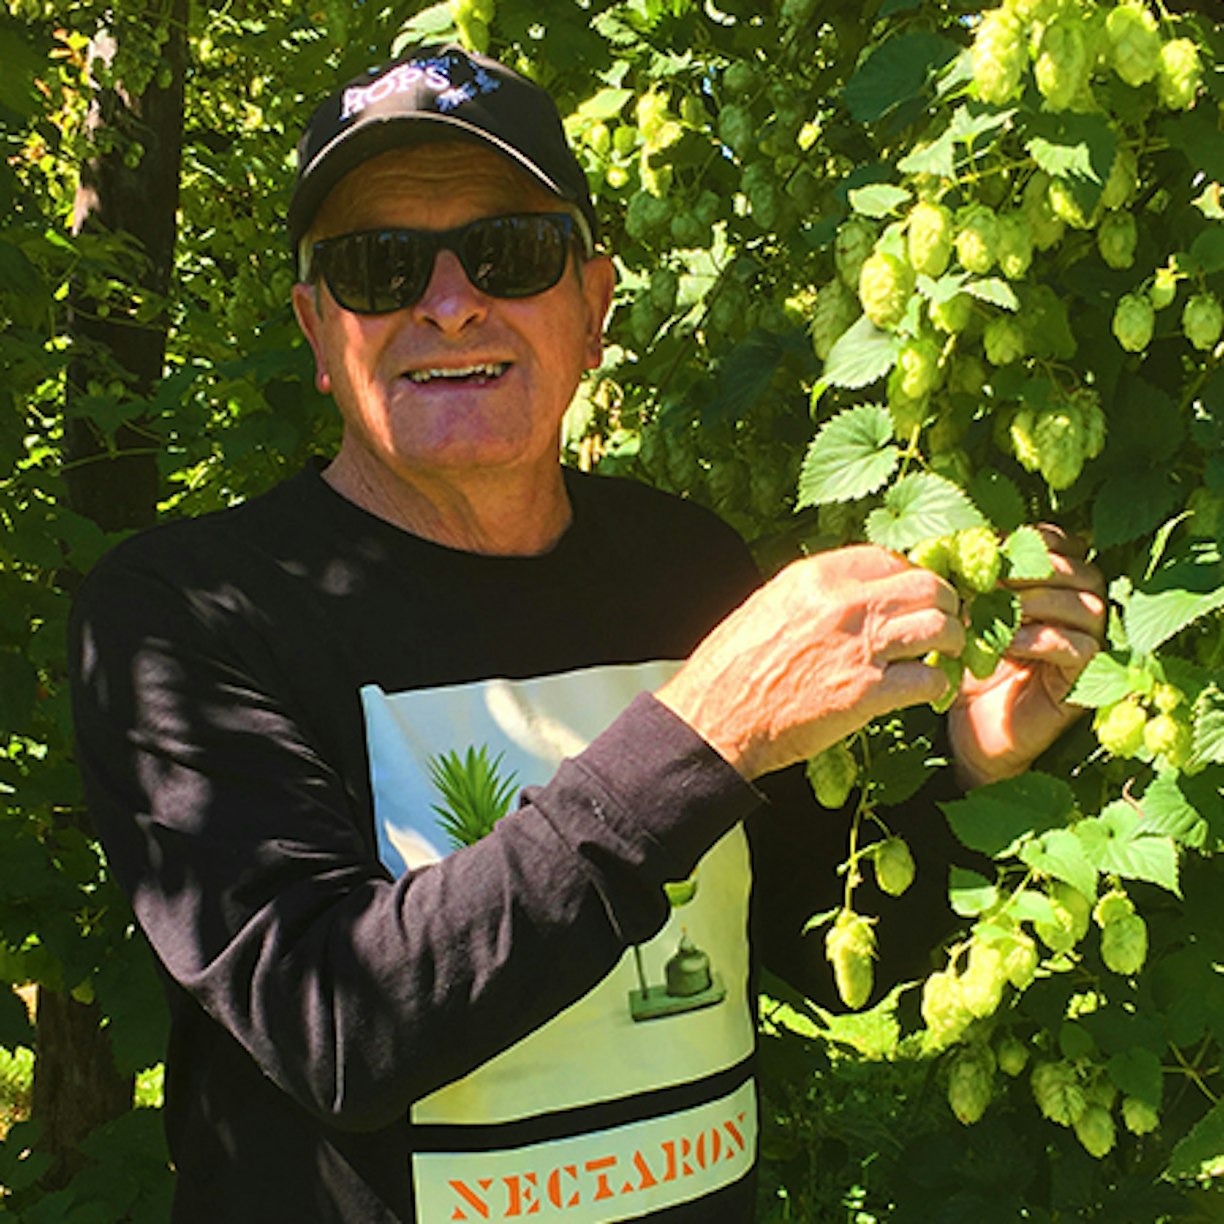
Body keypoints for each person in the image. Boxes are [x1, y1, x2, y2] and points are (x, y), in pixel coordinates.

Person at [68, 44, 1106, 1224]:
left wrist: (975, 757)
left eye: (511, 252)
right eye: (377, 267)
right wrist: (704, 729)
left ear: (594, 304)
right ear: (316, 329)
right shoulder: (192, 612)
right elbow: (338, 1027)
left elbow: (824, 941)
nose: (449, 300)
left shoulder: (680, 564)